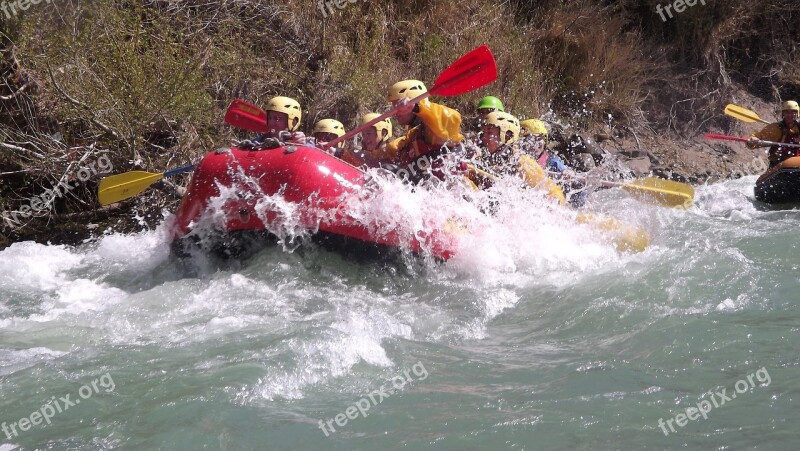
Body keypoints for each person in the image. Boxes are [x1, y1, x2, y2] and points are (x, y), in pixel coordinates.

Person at [468, 111, 565, 204]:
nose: (484, 137)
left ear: (507, 136)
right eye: (484, 132)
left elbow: (552, 190)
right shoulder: (480, 158)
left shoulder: (523, 164)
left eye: (489, 133)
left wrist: (554, 200)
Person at [386, 80, 464, 182]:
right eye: (394, 107)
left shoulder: (437, 133)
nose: (396, 112)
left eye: (399, 106)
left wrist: (416, 107)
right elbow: (391, 150)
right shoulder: (413, 135)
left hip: (459, 192)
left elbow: (452, 118)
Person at [519, 119, 586, 207]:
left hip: (552, 199)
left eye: (540, 139)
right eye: (532, 140)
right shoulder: (517, 159)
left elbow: (565, 170)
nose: (537, 144)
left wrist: (568, 173)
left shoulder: (552, 161)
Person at [747, 100, 800, 167]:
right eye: (787, 112)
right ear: (783, 114)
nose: (790, 115)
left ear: (797, 113)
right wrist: (753, 139)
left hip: (797, 164)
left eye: (793, 112)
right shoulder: (775, 128)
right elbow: (759, 136)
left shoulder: (798, 128)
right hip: (778, 165)